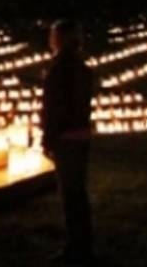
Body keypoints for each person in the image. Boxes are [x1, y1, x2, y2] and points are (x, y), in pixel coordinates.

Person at [41, 20, 97, 264]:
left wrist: (48, 138)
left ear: (60, 38)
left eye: (53, 35)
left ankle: (76, 248)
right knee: (78, 193)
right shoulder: (82, 67)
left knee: (70, 194)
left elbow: (53, 108)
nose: (50, 40)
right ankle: (83, 243)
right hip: (81, 133)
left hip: (66, 136)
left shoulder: (59, 69)